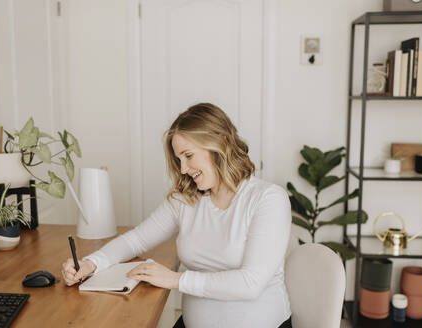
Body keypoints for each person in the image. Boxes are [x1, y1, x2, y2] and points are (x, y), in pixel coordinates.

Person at [61, 103, 292, 328]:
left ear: (220, 142)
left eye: (188, 155)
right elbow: (136, 240)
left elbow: (249, 284)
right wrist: (91, 263)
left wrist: (175, 280)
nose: (182, 169)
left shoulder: (268, 199)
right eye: (178, 159)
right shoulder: (187, 199)